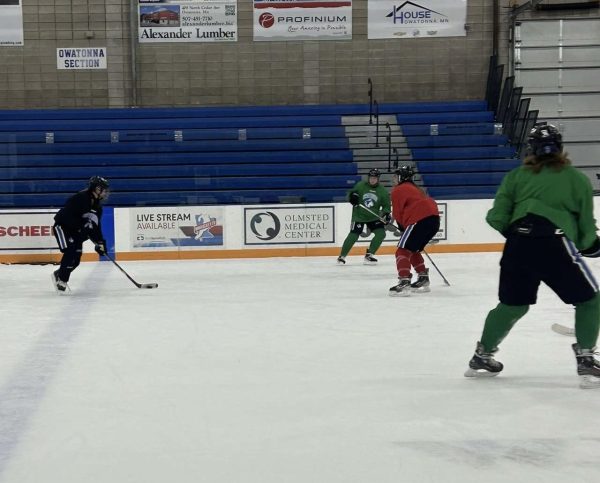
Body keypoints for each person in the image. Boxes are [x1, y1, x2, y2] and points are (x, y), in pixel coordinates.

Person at [464, 124, 600, 389]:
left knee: (512, 305)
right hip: (554, 244)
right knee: (590, 299)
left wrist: (519, 234)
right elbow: (585, 224)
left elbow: (496, 216)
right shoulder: (575, 178)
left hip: (518, 245)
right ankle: (586, 359)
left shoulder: (516, 177)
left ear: (531, 149)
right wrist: (590, 245)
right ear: (560, 147)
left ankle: (482, 356)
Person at [51, 176, 110, 292]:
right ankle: (61, 280)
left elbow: (95, 227)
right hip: (62, 227)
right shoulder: (80, 198)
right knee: (70, 250)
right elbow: (66, 216)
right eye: (103, 189)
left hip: (76, 233)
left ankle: (59, 274)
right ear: (96, 189)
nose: (105, 192)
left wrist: (100, 242)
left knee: (75, 260)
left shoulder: (98, 208)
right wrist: (81, 226)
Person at [388, 165, 440, 296]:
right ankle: (423, 278)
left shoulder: (398, 190)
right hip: (434, 219)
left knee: (402, 250)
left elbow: (398, 213)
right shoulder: (416, 189)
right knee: (413, 249)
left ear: (401, 177)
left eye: (395, 176)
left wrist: (401, 227)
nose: (393, 179)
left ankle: (404, 281)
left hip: (419, 218)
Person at [337, 168, 391, 265]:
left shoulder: (382, 191)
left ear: (378, 178)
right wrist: (352, 197)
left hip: (373, 217)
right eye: (371, 177)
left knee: (381, 234)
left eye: (375, 178)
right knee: (354, 235)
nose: (372, 179)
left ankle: (369, 255)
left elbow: (386, 206)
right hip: (359, 216)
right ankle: (342, 256)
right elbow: (351, 194)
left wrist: (386, 214)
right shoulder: (360, 185)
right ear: (368, 177)